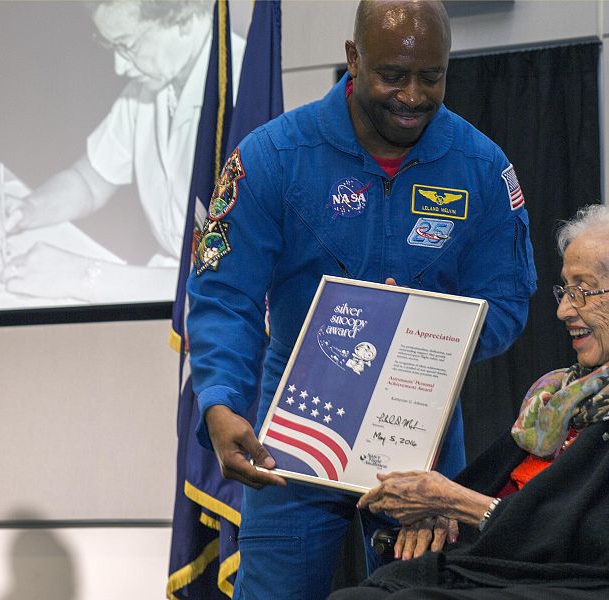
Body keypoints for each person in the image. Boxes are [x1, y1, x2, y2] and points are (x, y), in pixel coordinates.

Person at [185, 1, 537, 598]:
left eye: (431, 76)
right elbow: (225, 296)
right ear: (353, 58)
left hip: (419, 439)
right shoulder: (273, 158)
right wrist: (220, 402)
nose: (412, 95)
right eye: (392, 75)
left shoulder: (480, 169)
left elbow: (505, 304)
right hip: (296, 437)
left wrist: (426, 328)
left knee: (420, 592)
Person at [329, 203, 609, 600]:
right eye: (565, 290)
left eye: (585, 291)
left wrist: (460, 504)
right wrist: (446, 516)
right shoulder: (558, 393)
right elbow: (497, 493)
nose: (563, 311)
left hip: (596, 582)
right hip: (512, 567)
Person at [0, 0, 245, 303]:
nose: (119, 67)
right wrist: (27, 210)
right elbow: (90, 180)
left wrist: (83, 277)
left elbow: (227, 279)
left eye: (126, 46)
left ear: (182, 19)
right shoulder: (153, 84)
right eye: (111, 46)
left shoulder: (244, 98)